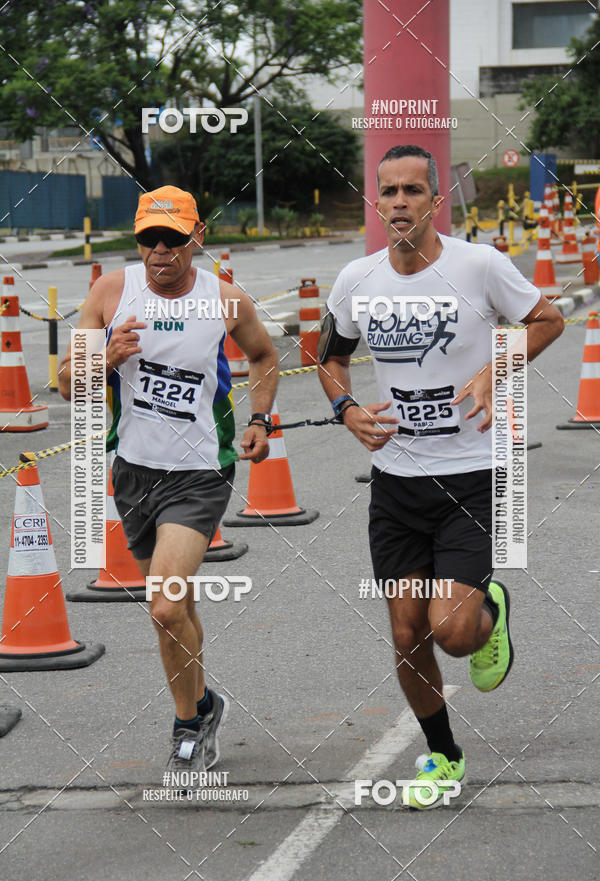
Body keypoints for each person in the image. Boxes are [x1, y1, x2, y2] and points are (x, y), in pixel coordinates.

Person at [318, 146, 564, 808]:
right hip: (395, 487)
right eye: (388, 191)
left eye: (412, 190)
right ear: (378, 201)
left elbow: (548, 317)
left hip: (474, 478)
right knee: (405, 631)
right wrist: (346, 409)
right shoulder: (356, 280)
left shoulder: (478, 266)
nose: (399, 201)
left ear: (434, 201)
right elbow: (328, 357)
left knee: (452, 632)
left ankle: (489, 611)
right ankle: (443, 756)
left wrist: (496, 368)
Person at [59, 185, 278, 773]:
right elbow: (62, 384)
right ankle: (204, 705)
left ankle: (185, 728)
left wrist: (260, 419)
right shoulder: (110, 293)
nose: (160, 251)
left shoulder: (224, 300)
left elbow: (264, 355)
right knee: (173, 608)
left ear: (197, 237)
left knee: (162, 605)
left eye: (173, 240)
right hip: (133, 472)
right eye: (149, 240)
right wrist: (101, 359)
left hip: (200, 473)